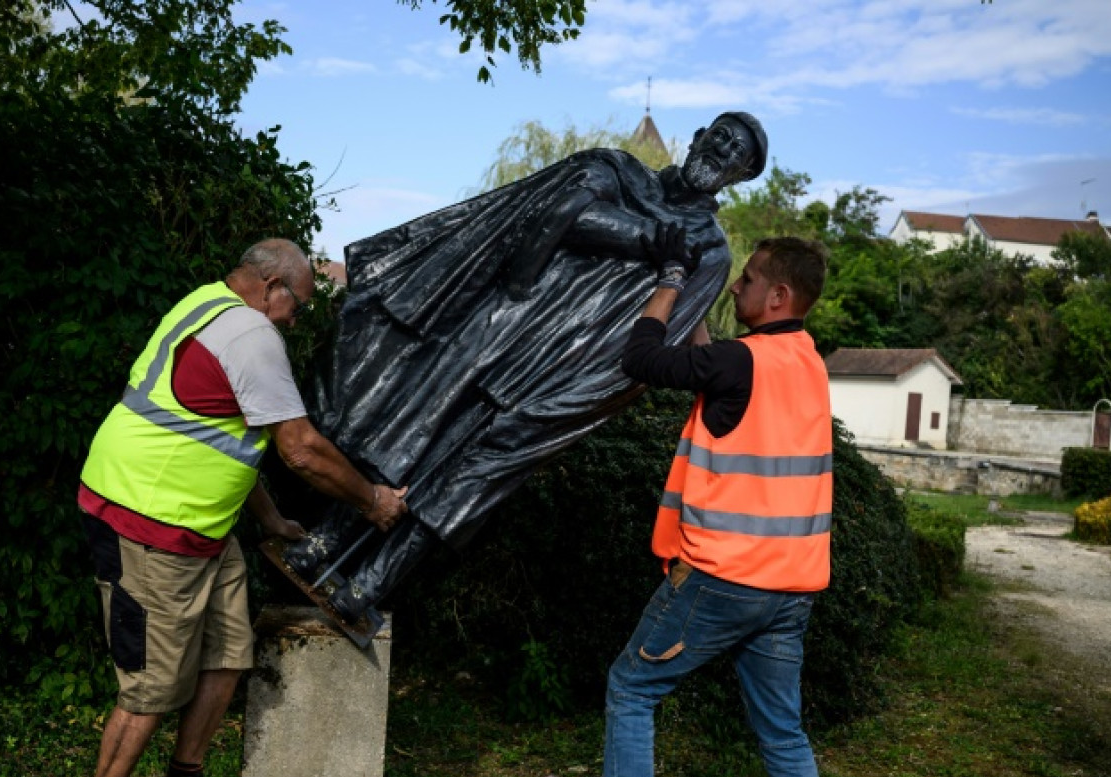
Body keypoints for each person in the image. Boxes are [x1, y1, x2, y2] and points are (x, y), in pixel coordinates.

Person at [284, 113, 769, 637]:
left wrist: (582, 399)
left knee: (467, 481)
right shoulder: (617, 168)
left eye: (735, 151)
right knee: (413, 430)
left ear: (741, 175)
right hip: (501, 326)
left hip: (563, 370)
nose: (720, 150)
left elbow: (664, 335)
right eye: (718, 135)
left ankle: (368, 587)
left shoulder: (712, 252)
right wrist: (651, 236)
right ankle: (323, 544)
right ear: (697, 137)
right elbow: (558, 214)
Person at [73, 238, 408, 777]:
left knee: (229, 651)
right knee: (154, 680)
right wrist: (373, 501)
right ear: (268, 285)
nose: (294, 319)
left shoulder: (206, 304)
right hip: (149, 518)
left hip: (202, 523)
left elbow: (222, 435)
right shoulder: (252, 337)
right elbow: (299, 448)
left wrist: (272, 518)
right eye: (296, 306)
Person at [575, 237, 837, 777]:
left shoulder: (740, 361)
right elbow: (714, 363)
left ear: (777, 296)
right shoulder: (804, 361)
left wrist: (668, 279)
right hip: (792, 587)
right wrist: (699, 299)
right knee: (783, 731)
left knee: (631, 688)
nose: (735, 288)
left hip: (724, 578)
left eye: (745, 281)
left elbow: (639, 357)